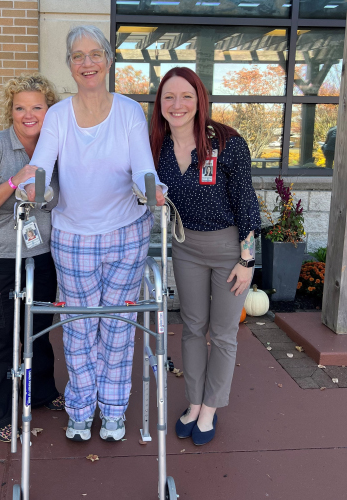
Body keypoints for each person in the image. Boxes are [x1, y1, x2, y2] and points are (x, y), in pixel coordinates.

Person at [21, 25, 166, 442]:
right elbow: (42, 168)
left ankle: (115, 410)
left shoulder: (128, 111)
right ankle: (82, 408)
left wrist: (150, 187)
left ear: (108, 59)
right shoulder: (59, 116)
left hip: (126, 235)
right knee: (80, 326)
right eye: (77, 56)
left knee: (119, 324)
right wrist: (37, 187)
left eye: (94, 54)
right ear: (69, 65)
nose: (87, 63)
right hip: (73, 238)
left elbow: (142, 165)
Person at [150, 67, 261, 446]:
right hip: (185, 247)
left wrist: (247, 262)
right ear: (160, 104)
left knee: (224, 333)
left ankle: (212, 407)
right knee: (194, 327)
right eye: (169, 97)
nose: (177, 104)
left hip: (229, 249)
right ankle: (194, 401)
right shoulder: (157, 146)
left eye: (186, 96)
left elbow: (247, 204)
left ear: (199, 99)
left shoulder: (228, 142)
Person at [0, 74, 64, 444]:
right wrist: (12, 182)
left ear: (49, 110)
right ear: (11, 110)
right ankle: (0, 414)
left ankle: (42, 393)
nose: (29, 114)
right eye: (20, 107)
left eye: (37, 106)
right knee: (1, 336)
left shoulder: (55, 148)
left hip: (40, 254)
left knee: (38, 328)